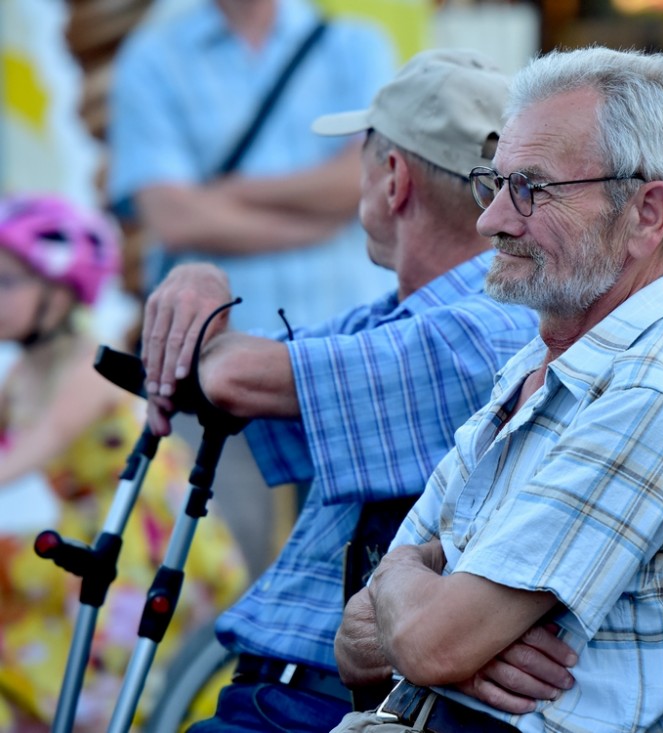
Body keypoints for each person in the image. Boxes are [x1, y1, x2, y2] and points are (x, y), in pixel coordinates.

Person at [331, 46, 663, 733]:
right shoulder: (533, 371)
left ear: (646, 214)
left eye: (531, 188)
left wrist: (404, 579)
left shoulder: (654, 398)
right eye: (494, 184)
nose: (491, 220)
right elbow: (353, 645)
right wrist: (428, 619)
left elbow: (427, 643)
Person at [138, 49, 542, 732]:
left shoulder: (482, 330)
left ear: (395, 180)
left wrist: (198, 285)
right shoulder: (405, 318)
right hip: (309, 695)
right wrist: (198, 281)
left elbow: (230, 374)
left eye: (364, 157)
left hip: (318, 706)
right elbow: (231, 366)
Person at [0, 195, 247, 733]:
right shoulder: (21, 373)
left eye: (6, 282)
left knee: (105, 688)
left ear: (59, 291)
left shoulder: (88, 364)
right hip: (89, 531)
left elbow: (40, 443)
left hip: (141, 535)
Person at [106, 0, 398, 333]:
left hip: (355, 343)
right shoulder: (150, 61)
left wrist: (234, 192)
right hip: (223, 351)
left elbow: (365, 177)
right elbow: (174, 219)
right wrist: (316, 226)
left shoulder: (356, 45)